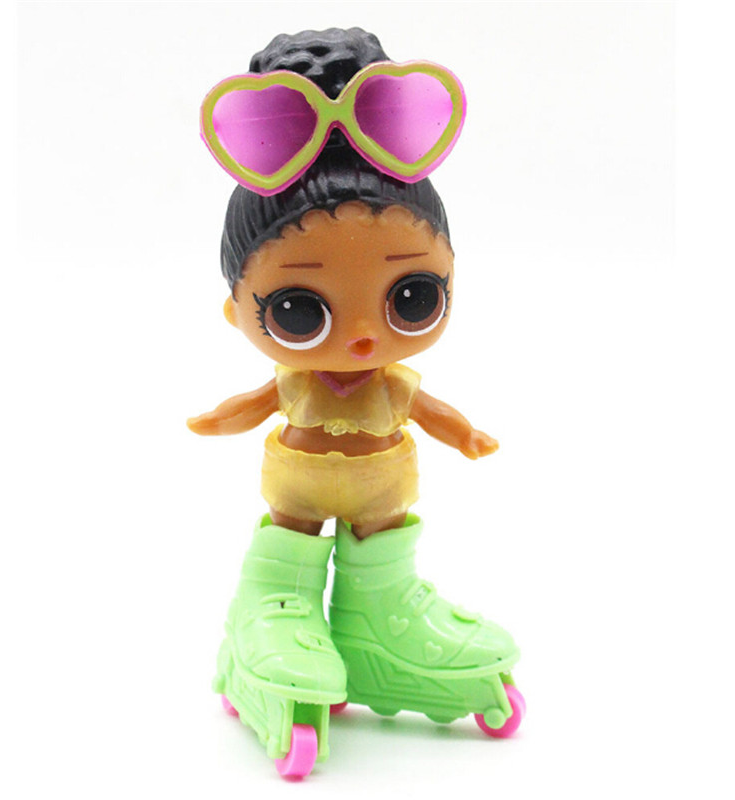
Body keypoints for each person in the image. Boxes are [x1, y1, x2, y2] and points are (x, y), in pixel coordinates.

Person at [190, 27, 524, 776]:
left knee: (382, 540)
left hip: (381, 491)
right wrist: (219, 418)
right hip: (299, 490)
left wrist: (467, 434)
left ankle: (379, 615)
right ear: (237, 310)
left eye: (412, 296)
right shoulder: (295, 384)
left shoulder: (392, 385)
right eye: (299, 310)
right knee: (292, 536)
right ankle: (272, 606)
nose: (365, 337)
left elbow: (433, 411)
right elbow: (256, 402)